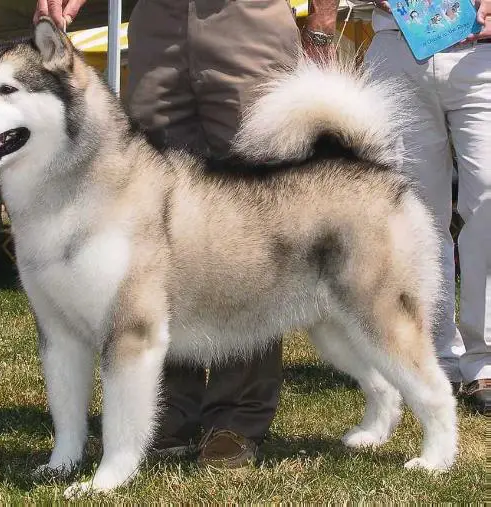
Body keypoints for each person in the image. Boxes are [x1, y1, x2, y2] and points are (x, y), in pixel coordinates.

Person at [34, 0, 339, 466]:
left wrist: (321, 21)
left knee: (254, 221)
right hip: (159, 26)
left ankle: (236, 418)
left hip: (249, 20)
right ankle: (165, 413)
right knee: (151, 220)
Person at [362, 0, 490, 415]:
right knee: (414, 214)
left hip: (481, 53)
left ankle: (483, 358)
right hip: (398, 46)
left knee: (489, 199)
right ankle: (434, 354)